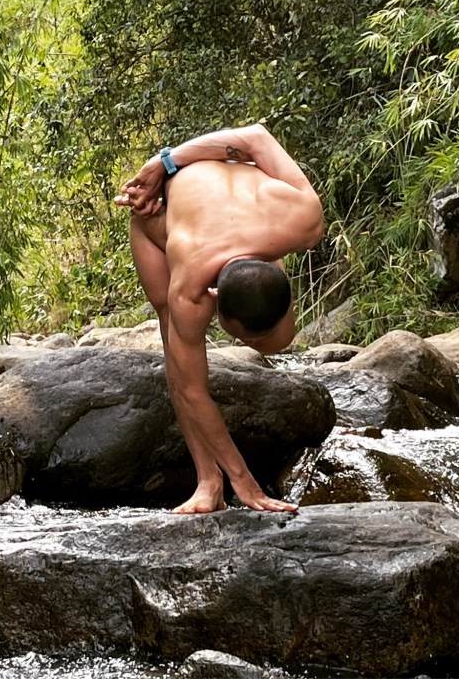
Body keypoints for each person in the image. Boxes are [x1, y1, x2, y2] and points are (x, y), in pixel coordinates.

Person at [115, 123, 324, 514]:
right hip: (165, 218)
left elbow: (256, 137)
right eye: (242, 338)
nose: (249, 346)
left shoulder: (304, 220)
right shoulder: (188, 287)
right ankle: (208, 482)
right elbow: (193, 391)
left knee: (278, 339)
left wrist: (165, 160)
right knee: (178, 345)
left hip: (228, 206)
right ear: (213, 298)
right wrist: (245, 483)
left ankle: (214, 482)